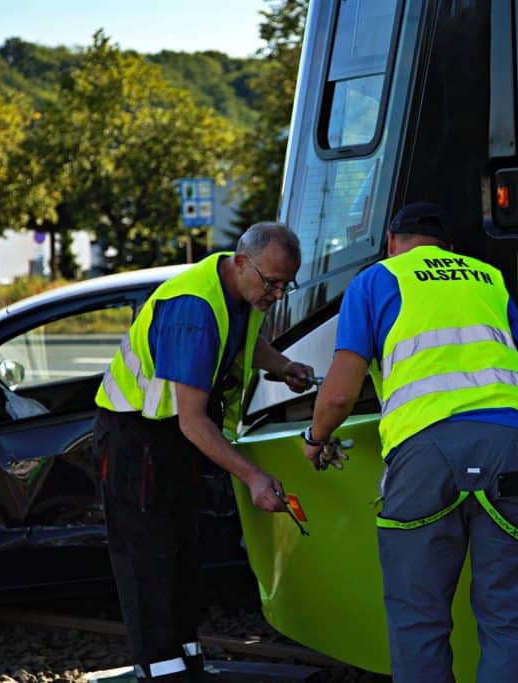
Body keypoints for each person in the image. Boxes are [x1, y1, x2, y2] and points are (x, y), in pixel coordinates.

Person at [303, 202, 518, 682]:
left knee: (419, 621)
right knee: (510, 619)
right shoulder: (489, 279)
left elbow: (338, 395)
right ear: (450, 249)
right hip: (515, 452)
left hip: (426, 456)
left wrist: (315, 438)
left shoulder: (378, 279)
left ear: (391, 242)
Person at [93, 222, 315, 682]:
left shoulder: (239, 294)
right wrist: (252, 476)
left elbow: (244, 342)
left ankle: (186, 661)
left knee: (181, 554)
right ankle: (161, 670)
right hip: (138, 442)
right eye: (270, 282)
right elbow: (193, 421)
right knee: (148, 561)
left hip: (170, 440)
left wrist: (284, 366)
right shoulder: (193, 310)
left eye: (284, 285)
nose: (276, 293)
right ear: (240, 262)